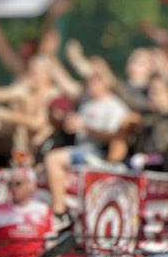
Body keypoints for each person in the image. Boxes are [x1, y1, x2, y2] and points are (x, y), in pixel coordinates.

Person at [43, 71, 129, 227]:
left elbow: (115, 136)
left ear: (106, 83)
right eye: (89, 80)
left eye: (95, 80)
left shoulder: (114, 107)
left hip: (98, 151)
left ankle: (59, 212)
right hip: (80, 148)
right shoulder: (86, 102)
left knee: (53, 159)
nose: (91, 84)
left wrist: (85, 127)